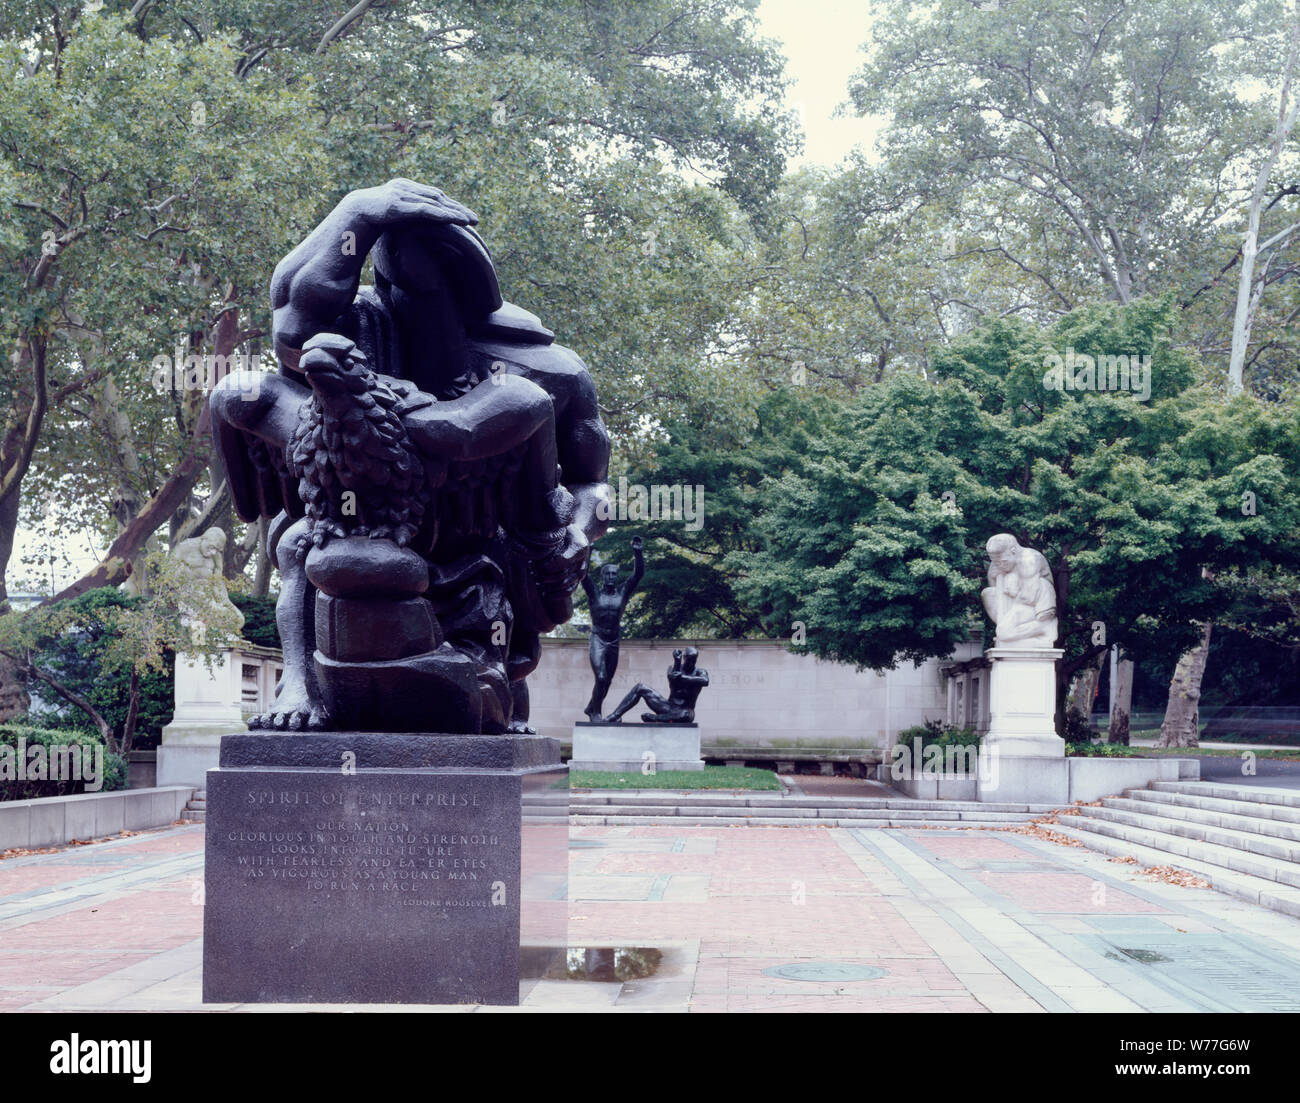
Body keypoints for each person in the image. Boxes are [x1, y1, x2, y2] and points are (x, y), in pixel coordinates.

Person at [208, 179, 611, 732]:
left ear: (465, 292)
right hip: (361, 518)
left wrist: (580, 534)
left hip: (480, 529)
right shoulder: (357, 327)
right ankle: (300, 688)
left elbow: (593, 483)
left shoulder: (546, 370)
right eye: (386, 281)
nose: (396, 302)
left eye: (419, 291)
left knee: (506, 564)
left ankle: (490, 672)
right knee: (301, 541)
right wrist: (360, 210)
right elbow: (292, 322)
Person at [581, 536, 644, 720]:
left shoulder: (623, 592)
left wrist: (638, 552)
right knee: (600, 677)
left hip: (614, 641)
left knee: (607, 681)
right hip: (598, 639)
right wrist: (588, 551)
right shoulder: (594, 593)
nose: (611, 577)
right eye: (607, 574)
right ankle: (595, 712)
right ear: (602, 576)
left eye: (614, 574)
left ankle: (591, 707)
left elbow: (637, 575)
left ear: (617, 577)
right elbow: (583, 573)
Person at [980, 533, 1058, 647]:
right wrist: (1002, 578)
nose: (1000, 565)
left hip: (1037, 605)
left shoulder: (1029, 559)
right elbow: (995, 589)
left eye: (1004, 561)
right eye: (997, 562)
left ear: (1013, 551)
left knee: (1003, 633)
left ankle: (1043, 627)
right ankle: (1016, 633)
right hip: (1017, 604)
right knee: (987, 593)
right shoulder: (999, 559)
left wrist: (1013, 581)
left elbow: (1029, 598)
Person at [604, 646, 708, 724]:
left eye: (693, 660)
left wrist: (683, 677)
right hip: (668, 707)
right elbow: (674, 680)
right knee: (640, 687)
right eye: (689, 660)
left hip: (685, 710)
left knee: (685, 715)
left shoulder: (700, 672)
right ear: (684, 658)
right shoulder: (673, 668)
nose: (691, 663)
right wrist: (677, 661)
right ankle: (615, 715)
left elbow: (705, 681)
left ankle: (657, 718)